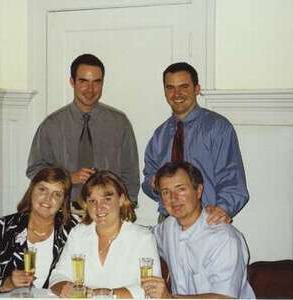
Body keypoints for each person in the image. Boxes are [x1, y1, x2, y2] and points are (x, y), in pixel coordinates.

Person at [27, 53, 140, 208]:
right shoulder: (51, 125)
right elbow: (35, 170)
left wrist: (127, 207)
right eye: (83, 81)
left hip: (108, 210)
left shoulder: (120, 123)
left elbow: (130, 174)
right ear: (72, 82)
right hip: (63, 209)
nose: (90, 89)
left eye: (96, 82)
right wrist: (67, 178)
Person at [142, 62, 249, 224]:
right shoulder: (159, 135)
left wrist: (222, 210)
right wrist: (154, 184)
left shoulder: (217, 128)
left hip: (206, 221)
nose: (176, 94)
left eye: (183, 86)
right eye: (170, 87)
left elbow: (233, 182)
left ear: (197, 89)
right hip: (168, 222)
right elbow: (148, 181)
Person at [141, 161, 255, 299]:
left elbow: (225, 298)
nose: (173, 198)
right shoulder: (167, 228)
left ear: (199, 191)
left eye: (181, 189)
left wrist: (169, 298)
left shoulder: (224, 238)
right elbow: (142, 238)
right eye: (166, 192)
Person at [49, 170, 161, 298]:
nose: (99, 207)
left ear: (121, 199)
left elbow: (151, 289)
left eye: (107, 199)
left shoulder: (143, 238)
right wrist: (65, 288)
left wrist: (104, 294)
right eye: (92, 201)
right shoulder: (78, 233)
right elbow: (58, 276)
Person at [0, 167, 78, 297]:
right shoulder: (2, 228)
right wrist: (8, 282)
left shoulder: (73, 230)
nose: (48, 198)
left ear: (63, 202)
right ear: (31, 191)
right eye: (42, 189)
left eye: (57, 194)